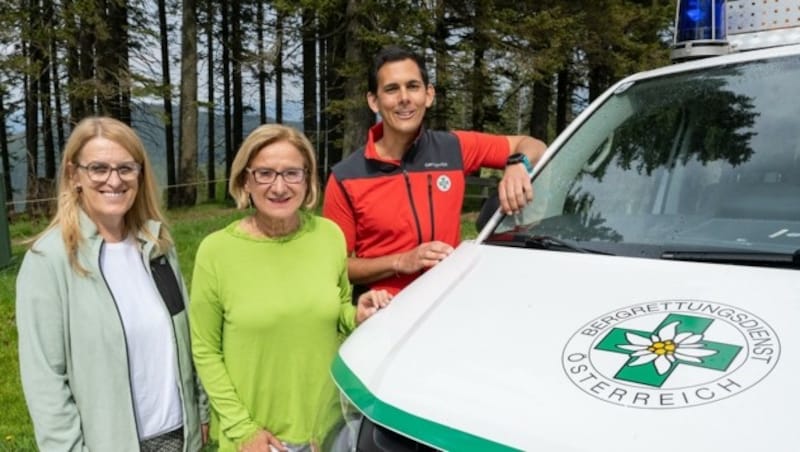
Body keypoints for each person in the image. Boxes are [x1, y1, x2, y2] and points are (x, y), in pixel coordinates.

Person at [189, 124, 391, 452]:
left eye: (292, 173)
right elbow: (205, 350)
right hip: (257, 438)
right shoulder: (216, 251)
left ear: (307, 178)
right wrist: (243, 430)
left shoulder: (329, 236)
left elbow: (333, 307)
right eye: (265, 173)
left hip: (323, 429)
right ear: (245, 180)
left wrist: (356, 314)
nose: (279, 186)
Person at [16, 116, 209, 451]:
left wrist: (200, 412)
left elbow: (185, 339)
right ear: (75, 175)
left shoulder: (157, 247)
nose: (114, 180)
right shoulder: (50, 261)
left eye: (125, 168)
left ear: (140, 174)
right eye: (99, 168)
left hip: (178, 437)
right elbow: (45, 380)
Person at [322, 45, 548, 295]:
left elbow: (534, 146)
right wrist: (400, 262)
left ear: (428, 95)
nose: (404, 98)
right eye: (391, 89)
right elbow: (336, 267)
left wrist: (518, 163)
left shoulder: (453, 148)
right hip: (383, 315)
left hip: (445, 305)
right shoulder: (346, 176)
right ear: (374, 101)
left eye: (413, 86)